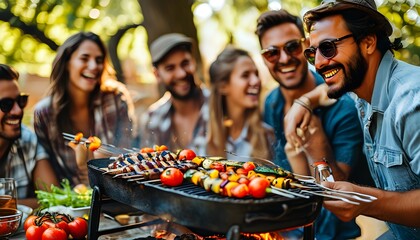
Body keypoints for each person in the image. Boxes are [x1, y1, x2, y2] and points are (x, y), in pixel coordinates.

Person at [283, 0, 420, 239]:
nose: (317, 63)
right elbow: (327, 88)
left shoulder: (411, 103)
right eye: (312, 53)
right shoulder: (362, 91)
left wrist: (366, 202)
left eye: (328, 48)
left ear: (368, 42)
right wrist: (304, 102)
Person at [255, 9, 373, 240]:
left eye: (292, 47)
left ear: (307, 46)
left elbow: (341, 197)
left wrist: (318, 149)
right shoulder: (271, 104)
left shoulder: (342, 105)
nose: (284, 59)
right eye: (271, 53)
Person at [34, 32, 137, 186]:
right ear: (67, 62)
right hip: (70, 203)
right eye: (84, 58)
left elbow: (127, 154)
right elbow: (44, 168)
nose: (94, 66)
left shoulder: (116, 99)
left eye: (99, 60)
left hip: (115, 194)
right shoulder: (44, 113)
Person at [0, 64, 59, 208]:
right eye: (6, 104)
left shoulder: (27, 140)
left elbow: (54, 199)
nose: (18, 111)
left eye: (20, 101)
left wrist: (5, 206)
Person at [140, 33, 209, 154]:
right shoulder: (152, 119)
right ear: (157, 75)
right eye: (170, 68)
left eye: (185, 63)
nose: (181, 74)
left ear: (194, 62)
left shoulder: (220, 106)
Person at [207, 46, 274, 160]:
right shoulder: (206, 139)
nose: (256, 81)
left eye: (256, 74)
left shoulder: (267, 136)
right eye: (245, 75)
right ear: (223, 86)